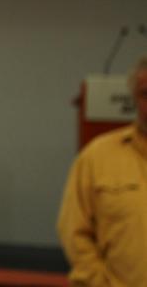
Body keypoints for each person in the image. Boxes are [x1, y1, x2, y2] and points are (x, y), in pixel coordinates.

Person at [57, 55, 147, 287]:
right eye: (146, 94)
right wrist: (99, 282)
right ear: (134, 98)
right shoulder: (97, 157)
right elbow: (74, 231)